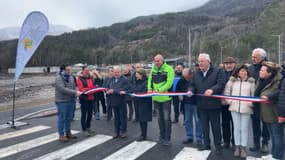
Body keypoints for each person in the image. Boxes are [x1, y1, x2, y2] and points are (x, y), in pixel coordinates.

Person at [189, 53, 225, 155]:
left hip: (214, 105)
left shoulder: (218, 71)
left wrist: (212, 90)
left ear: (208, 62)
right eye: (199, 61)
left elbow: (221, 83)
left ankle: (218, 146)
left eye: (202, 61)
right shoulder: (196, 73)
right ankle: (206, 144)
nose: (200, 63)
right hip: (201, 105)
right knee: (204, 126)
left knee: (216, 127)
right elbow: (192, 85)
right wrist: (190, 91)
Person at [224, 65, 255, 158]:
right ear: (238, 72)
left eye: (245, 71)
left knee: (244, 129)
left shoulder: (251, 82)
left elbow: (253, 94)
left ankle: (243, 148)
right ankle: (237, 147)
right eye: (241, 71)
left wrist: (250, 103)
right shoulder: (232, 81)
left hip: (246, 109)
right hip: (234, 108)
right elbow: (227, 92)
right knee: (236, 128)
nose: (243, 73)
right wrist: (230, 101)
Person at [256, 62, 283, 160]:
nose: (260, 71)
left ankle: (278, 156)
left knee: (277, 135)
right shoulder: (263, 80)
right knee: (273, 135)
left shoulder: (279, 80)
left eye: (262, 70)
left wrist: (268, 97)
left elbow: (280, 92)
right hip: (266, 112)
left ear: (270, 73)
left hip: (275, 112)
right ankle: (273, 154)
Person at [148, 54, 174, 146]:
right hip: (156, 98)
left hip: (166, 98)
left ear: (162, 60)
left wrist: (159, 90)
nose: (156, 62)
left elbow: (169, 83)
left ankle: (167, 138)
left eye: (158, 61)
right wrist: (149, 89)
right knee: (159, 119)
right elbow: (150, 80)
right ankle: (161, 136)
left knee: (166, 119)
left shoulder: (169, 69)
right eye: (155, 61)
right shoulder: (153, 69)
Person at [248, 48, 270, 153]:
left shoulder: (269, 67)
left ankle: (265, 143)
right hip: (254, 101)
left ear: (262, 57)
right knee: (255, 122)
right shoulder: (251, 68)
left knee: (265, 123)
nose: (253, 59)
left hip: (265, 101)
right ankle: (256, 143)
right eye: (252, 57)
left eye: (255, 57)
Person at [55, 64, 81, 142]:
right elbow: (62, 89)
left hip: (71, 101)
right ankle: (61, 135)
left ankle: (68, 132)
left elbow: (74, 87)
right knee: (62, 118)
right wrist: (75, 92)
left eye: (70, 70)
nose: (69, 71)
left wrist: (75, 96)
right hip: (62, 101)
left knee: (69, 118)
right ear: (62, 70)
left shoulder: (71, 77)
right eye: (68, 70)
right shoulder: (58, 78)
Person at [177, 68, 202, 145]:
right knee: (188, 121)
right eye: (184, 77)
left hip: (196, 103)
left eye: (187, 76)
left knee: (198, 121)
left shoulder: (196, 79)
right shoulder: (181, 80)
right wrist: (179, 94)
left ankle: (199, 138)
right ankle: (189, 137)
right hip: (187, 103)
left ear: (190, 74)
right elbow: (177, 90)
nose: (186, 78)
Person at [106, 67, 130, 138]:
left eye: (117, 72)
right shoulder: (111, 79)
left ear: (121, 72)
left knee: (123, 117)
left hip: (121, 101)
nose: (116, 73)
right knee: (116, 117)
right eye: (115, 72)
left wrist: (114, 91)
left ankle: (124, 131)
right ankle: (116, 131)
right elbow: (107, 87)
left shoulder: (125, 79)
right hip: (113, 101)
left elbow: (126, 89)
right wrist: (107, 91)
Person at [131, 68, 152, 141]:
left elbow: (144, 92)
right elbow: (134, 89)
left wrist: (136, 94)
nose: (135, 75)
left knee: (143, 119)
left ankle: (144, 135)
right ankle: (142, 134)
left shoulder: (146, 82)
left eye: (137, 74)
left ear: (141, 75)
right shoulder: (136, 81)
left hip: (144, 103)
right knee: (140, 119)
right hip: (137, 102)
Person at [221, 57, 236, 148]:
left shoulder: (237, 74)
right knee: (225, 122)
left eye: (230, 63)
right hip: (224, 102)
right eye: (226, 64)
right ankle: (226, 141)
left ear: (234, 64)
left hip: (234, 103)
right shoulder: (221, 73)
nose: (228, 65)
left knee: (235, 123)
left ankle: (234, 141)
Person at [77, 67, 96, 137]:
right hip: (84, 98)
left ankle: (88, 127)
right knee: (84, 114)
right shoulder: (79, 78)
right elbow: (81, 89)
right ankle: (84, 129)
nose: (87, 72)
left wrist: (93, 88)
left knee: (90, 114)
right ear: (82, 71)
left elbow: (93, 86)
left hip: (91, 98)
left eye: (88, 70)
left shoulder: (90, 78)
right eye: (86, 70)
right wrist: (90, 89)